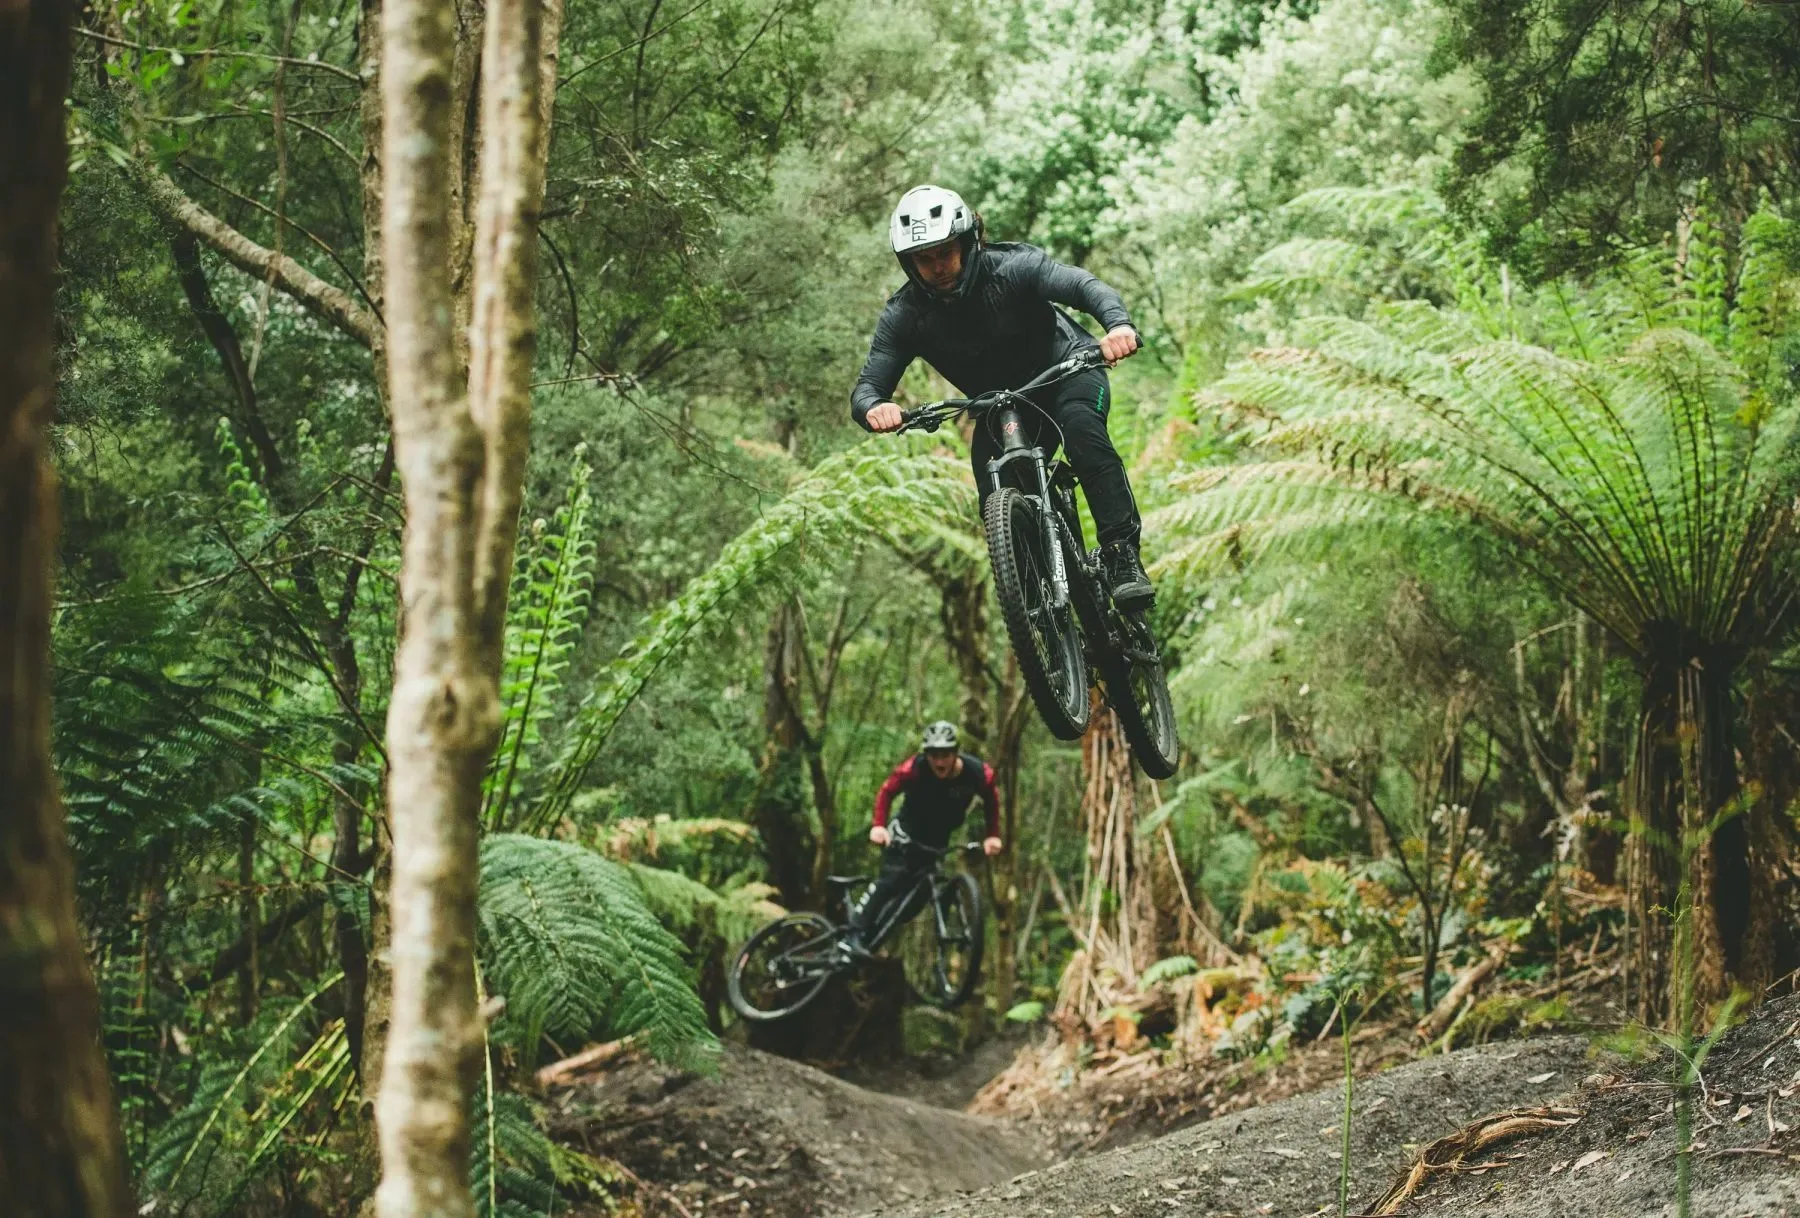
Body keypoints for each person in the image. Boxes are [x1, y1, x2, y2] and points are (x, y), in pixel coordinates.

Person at [850, 183, 1154, 608]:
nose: (938, 267)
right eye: (925, 259)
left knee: (1082, 430)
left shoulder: (1014, 267)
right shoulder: (905, 315)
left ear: (967, 243)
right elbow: (868, 389)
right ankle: (1036, 606)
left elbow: (1084, 286)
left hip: (1067, 372)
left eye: (945, 252)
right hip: (1000, 406)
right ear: (909, 263)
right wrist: (875, 407)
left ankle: (1122, 556)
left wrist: (1117, 325)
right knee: (993, 490)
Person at [840, 720, 1002, 958]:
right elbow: (887, 790)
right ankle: (852, 935)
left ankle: (870, 939)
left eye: (945, 754)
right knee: (891, 878)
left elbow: (991, 799)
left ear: (956, 753)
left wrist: (993, 835)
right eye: (933, 755)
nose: (939, 762)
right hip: (906, 832)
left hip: (936, 840)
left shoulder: (977, 773)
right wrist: (879, 826)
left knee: (916, 900)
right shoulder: (915, 768)